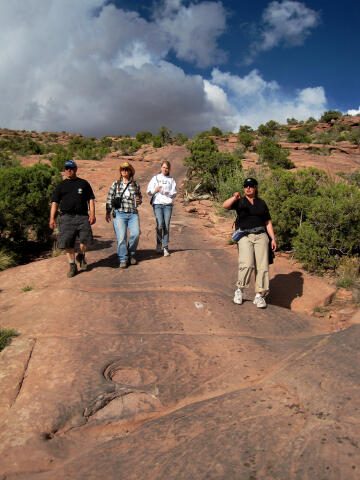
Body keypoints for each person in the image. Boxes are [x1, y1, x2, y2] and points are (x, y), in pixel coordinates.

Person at [223, 177, 277, 308]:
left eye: (251, 186)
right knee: (246, 263)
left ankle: (259, 295)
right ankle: (239, 291)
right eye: (246, 186)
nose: (248, 188)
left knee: (262, 266)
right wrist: (234, 197)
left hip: (261, 236)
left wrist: (273, 238)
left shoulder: (261, 203)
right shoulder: (240, 201)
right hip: (244, 235)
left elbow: (267, 222)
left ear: (255, 188)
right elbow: (225, 205)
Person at [49, 159, 96, 278]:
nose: (68, 170)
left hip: (82, 216)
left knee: (86, 241)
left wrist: (92, 214)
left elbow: (90, 199)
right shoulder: (61, 185)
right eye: (66, 168)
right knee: (67, 244)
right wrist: (52, 218)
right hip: (66, 217)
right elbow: (55, 202)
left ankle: (81, 255)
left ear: (75, 169)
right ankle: (72, 265)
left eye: (71, 168)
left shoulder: (83, 183)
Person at [105, 162, 142, 268]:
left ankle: (131, 254)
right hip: (119, 214)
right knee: (121, 237)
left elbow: (140, 198)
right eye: (123, 169)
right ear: (120, 171)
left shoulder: (135, 185)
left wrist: (138, 201)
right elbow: (109, 198)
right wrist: (108, 212)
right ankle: (123, 259)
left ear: (130, 171)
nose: (124, 171)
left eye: (126, 169)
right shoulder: (115, 184)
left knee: (135, 234)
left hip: (133, 213)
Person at [146, 161, 177, 256]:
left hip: (167, 205)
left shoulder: (171, 179)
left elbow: (174, 193)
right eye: (163, 167)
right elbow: (148, 191)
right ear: (161, 168)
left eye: (167, 168)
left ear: (169, 169)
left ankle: (165, 248)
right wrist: (155, 190)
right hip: (158, 204)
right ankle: (159, 244)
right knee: (160, 224)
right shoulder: (155, 178)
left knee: (166, 225)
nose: (165, 169)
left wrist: (164, 191)